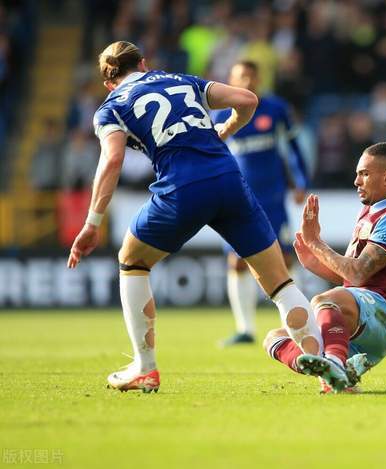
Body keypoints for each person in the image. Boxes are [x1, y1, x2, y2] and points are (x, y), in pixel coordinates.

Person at [66, 41, 323, 393]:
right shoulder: (183, 81)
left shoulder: (111, 107)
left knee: (132, 260)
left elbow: (111, 161)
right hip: (229, 179)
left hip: (181, 188)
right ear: (143, 63)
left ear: (108, 82)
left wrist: (91, 223)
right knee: (280, 282)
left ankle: (144, 367)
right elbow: (248, 100)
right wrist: (226, 130)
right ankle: (326, 367)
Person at [263, 142, 386, 393]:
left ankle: (333, 364)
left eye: (364, 173)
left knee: (326, 300)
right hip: (359, 315)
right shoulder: (369, 213)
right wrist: (314, 261)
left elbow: (357, 273)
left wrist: (317, 244)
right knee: (275, 338)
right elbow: (351, 280)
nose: (356, 181)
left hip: (384, 317)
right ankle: (333, 374)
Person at [213, 60, 308, 346]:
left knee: (286, 258)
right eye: (242, 76)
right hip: (237, 197)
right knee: (237, 261)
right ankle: (245, 329)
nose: (248, 81)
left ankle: (295, 324)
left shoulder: (276, 109)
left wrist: (301, 181)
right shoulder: (220, 113)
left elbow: (293, 148)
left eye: (252, 76)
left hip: (273, 197)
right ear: (231, 79)